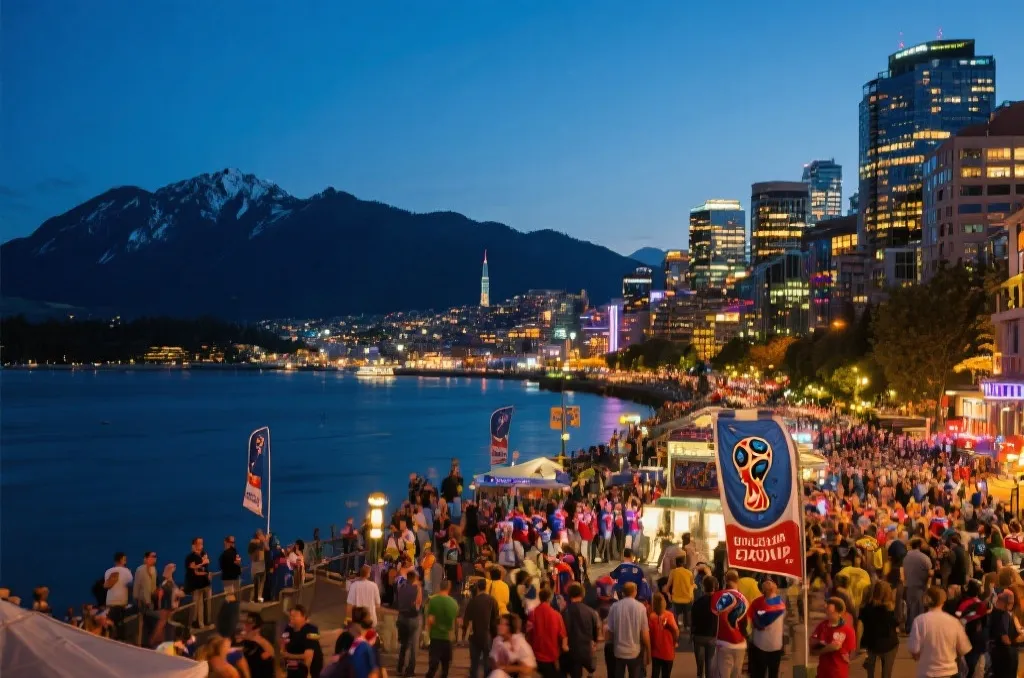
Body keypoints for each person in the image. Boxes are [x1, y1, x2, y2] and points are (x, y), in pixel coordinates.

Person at [907, 587, 970, 678]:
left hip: (926, 672)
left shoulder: (919, 621)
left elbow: (914, 649)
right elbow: (964, 649)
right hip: (949, 672)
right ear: (943, 601)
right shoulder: (954, 622)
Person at [605, 581, 650, 678]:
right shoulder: (641, 608)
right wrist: (648, 652)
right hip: (635, 651)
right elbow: (645, 633)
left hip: (618, 651)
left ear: (623, 593)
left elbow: (610, 631)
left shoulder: (615, 607)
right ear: (635, 592)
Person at [709, 570, 749, 678]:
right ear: (737, 581)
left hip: (723, 643)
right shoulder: (744, 599)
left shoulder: (717, 596)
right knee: (736, 674)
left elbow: (714, 618)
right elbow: (744, 624)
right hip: (740, 644)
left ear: (725, 580)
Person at [858, 581, 899, 678]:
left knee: (871, 674)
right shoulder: (889, 610)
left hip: (871, 645)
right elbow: (896, 625)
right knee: (886, 674)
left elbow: (860, 626)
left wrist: (858, 645)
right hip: (889, 645)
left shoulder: (866, 608)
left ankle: (869, 665)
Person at [526, 587, 568, 678]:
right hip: (552, 657)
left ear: (540, 598)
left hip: (536, 656)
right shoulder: (557, 615)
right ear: (550, 599)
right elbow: (563, 636)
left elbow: (528, 634)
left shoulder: (532, 613)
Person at [811, 597, 857, 678]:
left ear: (839, 612)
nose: (827, 612)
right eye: (826, 610)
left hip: (839, 674)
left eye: (830, 611)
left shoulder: (848, 630)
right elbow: (812, 650)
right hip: (822, 673)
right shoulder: (822, 626)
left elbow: (852, 654)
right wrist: (829, 648)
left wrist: (841, 652)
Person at [562, 582, 601, 678]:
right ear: (582, 594)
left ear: (569, 595)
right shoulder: (591, 611)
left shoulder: (564, 612)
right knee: (590, 665)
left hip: (571, 651)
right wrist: (595, 642)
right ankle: (591, 672)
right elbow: (596, 631)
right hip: (586, 649)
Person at [748, 579, 786, 678]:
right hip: (775, 645)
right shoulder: (781, 603)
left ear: (763, 590)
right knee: (773, 674)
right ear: (774, 589)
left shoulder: (757, 603)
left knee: (759, 674)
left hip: (760, 644)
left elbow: (757, 622)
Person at [464, 579, 499, 678]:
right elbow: (495, 619)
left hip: (474, 636)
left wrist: (465, 633)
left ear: (478, 588)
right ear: (486, 587)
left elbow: (466, 620)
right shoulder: (492, 600)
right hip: (487, 635)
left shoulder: (473, 601)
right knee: (487, 662)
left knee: (474, 663)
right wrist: (494, 635)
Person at [425, 579, 459, 678]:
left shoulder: (433, 601)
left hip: (435, 637)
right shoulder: (454, 603)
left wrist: (427, 635)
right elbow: (455, 622)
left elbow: (430, 620)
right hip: (448, 637)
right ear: (449, 588)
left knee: (433, 665)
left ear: (440, 587)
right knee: (445, 667)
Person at [280, 604, 323, 678]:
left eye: (295, 616)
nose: (291, 618)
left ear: (304, 617)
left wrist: (289, 655)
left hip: (308, 669)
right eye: (291, 615)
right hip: (292, 666)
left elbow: (308, 657)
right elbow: (282, 648)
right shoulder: (288, 629)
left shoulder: (312, 630)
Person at [395, 569, 423, 677]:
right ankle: (410, 670)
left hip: (401, 617)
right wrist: (419, 589)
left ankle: (400, 667)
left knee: (404, 644)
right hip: (412, 618)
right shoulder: (416, 589)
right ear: (415, 578)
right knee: (413, 646)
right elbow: (418, 603)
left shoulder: (401, 587)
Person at [902, 538, 934, 634]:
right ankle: (917, 629)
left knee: (910, 608)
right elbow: (930, 572)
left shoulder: (906, 557)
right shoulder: (924, 557)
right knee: (919, 609)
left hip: (908, 585)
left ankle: (909, 627)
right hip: (920, 587)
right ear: (920, 546)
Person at [489, 613, 537, 678]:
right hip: (503, 674)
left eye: (505, 624)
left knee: (498, 673)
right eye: (499, 623)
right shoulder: (497, 640)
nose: (500, 626)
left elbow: (529, 669)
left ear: (511, 627)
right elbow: (493, 660)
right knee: (497, 673)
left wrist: (506, 668)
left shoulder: (519, 642)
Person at [988, 588, 1020, 678]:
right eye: (1011, 602)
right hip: (1002, 654)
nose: (1012, 605)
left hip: (998, 653)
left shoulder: (994, 612)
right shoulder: (1001, 615)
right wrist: (1011, 643)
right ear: (1004, 602)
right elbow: (1004, 638)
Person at [691, 575, 718, 678]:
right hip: (712, 636)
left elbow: (693, 620)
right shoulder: (718, 603)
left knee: (699, 663)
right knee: (709, 663)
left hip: (698, 636)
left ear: (703, 587)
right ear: (715, 587)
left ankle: (699, 675)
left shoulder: (697, 602)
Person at [103, 551, 133, 640]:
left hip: (110, 601)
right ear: (121, 560)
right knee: (120, 625)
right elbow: (131, 584)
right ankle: (119, 641)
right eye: (125, 559)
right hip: (120, 602)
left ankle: (108, 638)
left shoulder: (108, 571)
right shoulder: (126, 571)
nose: (126, 561)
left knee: (110, 622)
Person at [647, 593, 678, 678]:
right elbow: (675, 631)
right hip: (668, 651)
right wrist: (675, 642)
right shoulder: (669, 615)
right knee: (666, 675)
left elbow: (649, 635)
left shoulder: (651, 617)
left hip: (655, 652)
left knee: (655, 674)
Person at [185, 537, 212, 629]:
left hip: (206, 583)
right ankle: (198, 624)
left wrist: (204, 566)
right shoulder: (190, 557)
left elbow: (206, 566)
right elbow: (193, 569)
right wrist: (203, 563)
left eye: (202, 543)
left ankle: (207, 622)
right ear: (194, 545)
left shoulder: (204, 554)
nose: (201, 545)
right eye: (199, 543)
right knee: (198, 605)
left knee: (208, 603)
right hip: (196, 585)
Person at [239, 612, 275, 678]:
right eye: (246, 622)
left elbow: (272, 653)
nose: (245, 624)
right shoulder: (243, 640)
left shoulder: (262, 642)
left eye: (249, 622)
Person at [665, 554, 694, 634]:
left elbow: (668, 585)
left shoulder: (673, 572)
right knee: (687, 616)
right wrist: (692, 597)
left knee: (675, 616)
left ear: (676, 563)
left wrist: (668, 594)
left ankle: (676, 630)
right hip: (687, 598)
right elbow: (692, 586)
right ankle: (687, 628)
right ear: (683, 563)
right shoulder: (689, 572)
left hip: (676, 599)